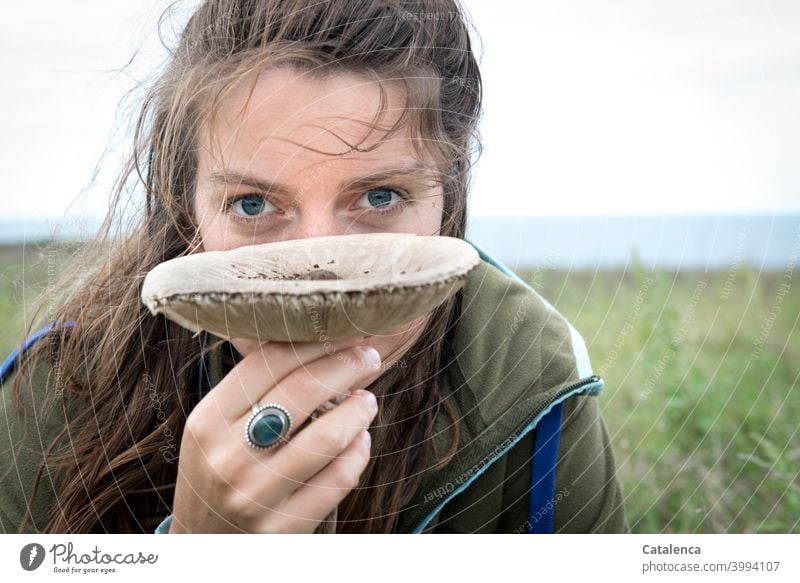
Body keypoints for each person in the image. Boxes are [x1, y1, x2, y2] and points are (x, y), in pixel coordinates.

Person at [0, 0, 627, 534]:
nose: (318, 271)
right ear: (184, 208)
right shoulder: (60, 395)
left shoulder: (536, 394)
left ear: (448, 197)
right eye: (253, 204)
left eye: (380, 198)